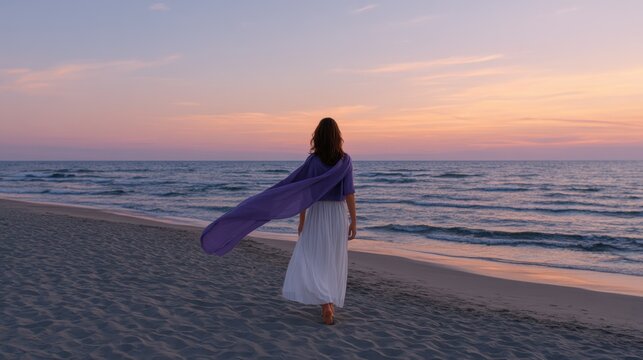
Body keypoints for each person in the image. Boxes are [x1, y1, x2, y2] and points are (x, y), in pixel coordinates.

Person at [281, 117, 357, 325]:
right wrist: (353, 221)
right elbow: (349, 193)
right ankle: (328, 303)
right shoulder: (345, 161)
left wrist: (302, 219)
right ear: (337, 137)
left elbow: (304, 192)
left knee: (314, 257)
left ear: (318, 137)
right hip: (337, 214)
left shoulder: (313, 162)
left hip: (317, 212)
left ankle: (326, 304)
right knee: (332, 259)